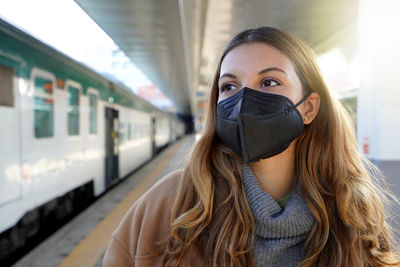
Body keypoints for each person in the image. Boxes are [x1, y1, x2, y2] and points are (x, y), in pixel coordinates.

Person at [103, 27, 400, 267]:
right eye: (229, 86)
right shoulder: (170, 204)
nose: (243, 100)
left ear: (308, 108)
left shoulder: (353, 212)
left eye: (269, 82)